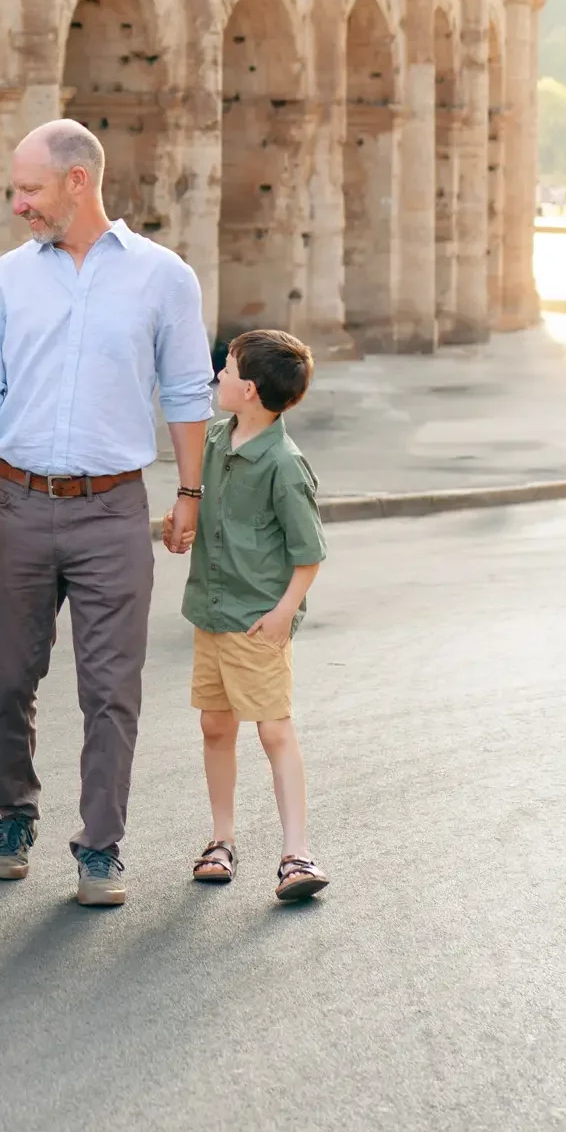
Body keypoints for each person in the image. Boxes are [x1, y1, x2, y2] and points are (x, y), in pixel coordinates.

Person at [0, 120, 213, 906]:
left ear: (77, 182)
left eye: (28, 188)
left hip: (112, 510)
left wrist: (189, 493)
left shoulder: (163, 277)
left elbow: (188, 392)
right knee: (3, 678)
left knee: (110, 687)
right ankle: (13, 814)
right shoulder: (6, 278)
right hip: (18, 501)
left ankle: (99, 848)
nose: (17, 203)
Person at [164, 327, 329, 902]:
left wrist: (285, 612)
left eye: (228, 370)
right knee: (215, 726)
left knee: (274, 731)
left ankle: (297, 855)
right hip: (209, 610)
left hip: (257, 620)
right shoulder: (213, 439)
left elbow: (309, 553)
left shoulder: (284, 464)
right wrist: (178, 525)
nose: (218, 378)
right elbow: (198, 505)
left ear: (251, 390)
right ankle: (221, 840)